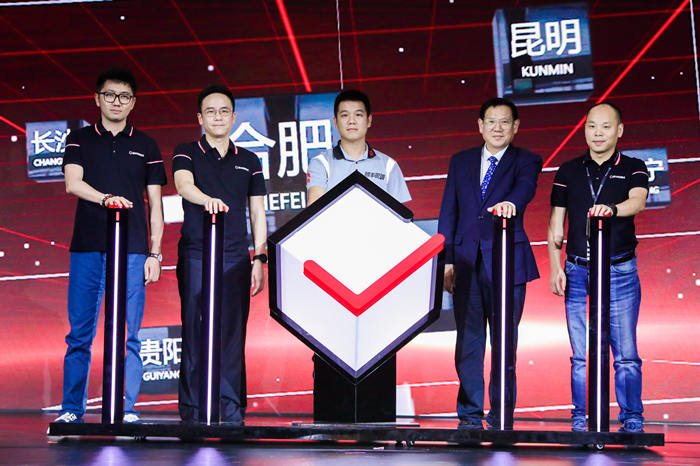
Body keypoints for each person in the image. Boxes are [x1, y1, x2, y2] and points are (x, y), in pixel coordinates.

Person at [56, 68, 166, 424]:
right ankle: (71, 410)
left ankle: (126, 409)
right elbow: (72, 183)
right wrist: (106, 199)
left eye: (124, 96)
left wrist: (155, 252)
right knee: (79, 334)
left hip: (132, 250)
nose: (116, 102)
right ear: (97, 98)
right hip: (87, 247)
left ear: (133, 102)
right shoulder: (79, 138)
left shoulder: (146, 145)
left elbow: (156, 204)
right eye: (109, 95)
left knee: (129, 334)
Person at [438, 97, 542, 430]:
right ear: (480, 125)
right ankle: (469, 417)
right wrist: (446, 262)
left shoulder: (527, 160)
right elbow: (449, 212)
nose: (497, 128)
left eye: (505, 122)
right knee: (468, 344)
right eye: (491, 121)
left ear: (515, 126)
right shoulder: (460, 161)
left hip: (508, 263)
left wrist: (511, 203)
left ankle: (501, 417)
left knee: (504, 344)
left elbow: (524, 189)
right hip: (465, 264)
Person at [547, 102, 648, 433]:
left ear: (619, 130)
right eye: (592, 126)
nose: (598, 133)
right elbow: (556, 225)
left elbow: (638, 201)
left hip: (619, 270)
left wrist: (611, 209)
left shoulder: (634, 166)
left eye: (605, 126)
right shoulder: (568, 170)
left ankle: (632, 418)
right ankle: (581, 416)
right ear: (585, 130)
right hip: (577, 271)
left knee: (626, 353)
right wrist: (555, 267)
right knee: (581, 354)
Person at [173, 84, 267, 425]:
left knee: (231, 335)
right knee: (194, 331)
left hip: (236, 259)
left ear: (234, 117)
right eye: (210, 111)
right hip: (197, 256)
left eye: (224, 111)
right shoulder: (186, 151)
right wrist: (207, 200)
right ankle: (192, 411)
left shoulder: (249, 160)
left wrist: (259, 257)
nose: (217, 117)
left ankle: (230, 410)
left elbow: (257, 212)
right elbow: (183, 185)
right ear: (200, 118)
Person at [306, 89, 411, 204]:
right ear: (335, 122)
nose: (352, 121)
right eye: (345, 115)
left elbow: (399, 212)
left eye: (358, 115)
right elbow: (315, 205)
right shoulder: (321, 163)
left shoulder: (388, 165)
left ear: (369, 120)